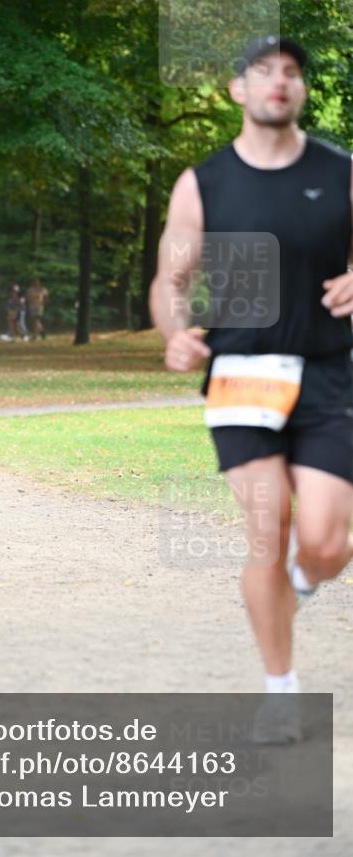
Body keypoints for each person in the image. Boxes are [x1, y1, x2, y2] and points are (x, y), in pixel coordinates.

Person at [150, 36, 353, 742]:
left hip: (330, 374)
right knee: (267, 532)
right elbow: (170, 281)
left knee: (327, 542)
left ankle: (295, 588)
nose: (279, 81)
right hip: (241, 376)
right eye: (263, 71)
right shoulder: (202, 183)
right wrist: (174, 332)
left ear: (300, 91)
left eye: (292, 72)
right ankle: (280, 692)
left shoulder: (341, 173)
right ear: (237, 90)